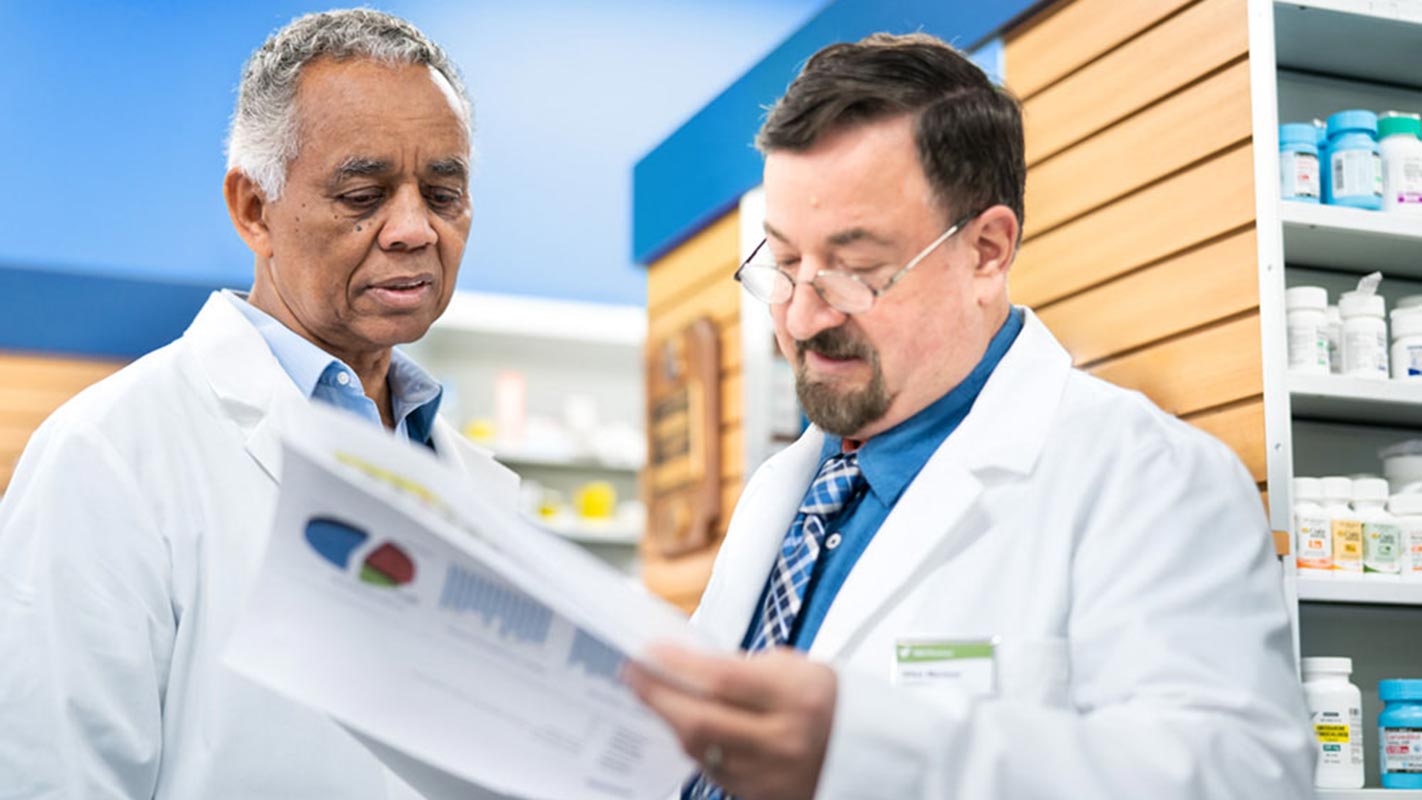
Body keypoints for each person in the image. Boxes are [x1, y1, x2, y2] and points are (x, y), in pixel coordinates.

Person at [626, 32, 1313, 799]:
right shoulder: (786, 492)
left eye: (856, 269)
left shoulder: (1150, 479)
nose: (804, 317)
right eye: (784, 263)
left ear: (987, 250)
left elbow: (1247, 778)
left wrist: (870, 753)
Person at [0, 10, 515, 798]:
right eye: (363, 194)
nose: (414, 229)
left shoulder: (479, 485)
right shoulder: (110, 456)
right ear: (253, 209)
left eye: (443, 193)